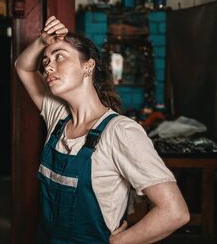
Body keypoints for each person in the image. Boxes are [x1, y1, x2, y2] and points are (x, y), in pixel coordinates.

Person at [14, 16, 189, 243]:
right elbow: (23, 67)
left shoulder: (120, 132)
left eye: (60, 57)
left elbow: (174, 212)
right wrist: (42, 41)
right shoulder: (58, 116)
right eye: (46, 61)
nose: (48, 66)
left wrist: (119, 241)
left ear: (88, 67)